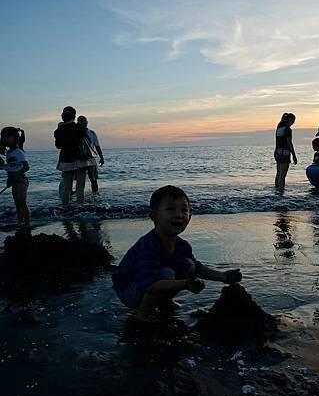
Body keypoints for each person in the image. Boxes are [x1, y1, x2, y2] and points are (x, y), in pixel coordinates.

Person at [112, 185, 242, 319]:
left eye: (184, 210)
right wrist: (186, 284)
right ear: (154, 216)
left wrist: (222, 276)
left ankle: (164, 302)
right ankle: (143, 315)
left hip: (148, 284)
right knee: (167, 274)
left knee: (189, 265)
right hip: (129, 290)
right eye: (170, 209)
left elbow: (197, 268)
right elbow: (149, 284)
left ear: (190, 217)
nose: (179, 215)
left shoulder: (181, 245)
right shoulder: (149, 246)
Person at [54, 106, 88, 207]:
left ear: (62, 116)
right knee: (80, 187)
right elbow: (84, 136)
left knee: (67, 187)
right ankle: (80, 208)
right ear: (74, 116)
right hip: (80, 159)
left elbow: (58, 146)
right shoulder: (78, 128)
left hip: (65, 160)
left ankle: (65, 208)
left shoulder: (58, 130)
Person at [0, 127, 31, 228]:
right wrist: (10, 179)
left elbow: (26, 166)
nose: (4, 139)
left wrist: (15, 175)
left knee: (22, 204)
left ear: (15, 138)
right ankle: (20, 223)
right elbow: (11, 169)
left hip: (21, 181)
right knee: (18, 204)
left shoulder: (18, 152)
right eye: (2, 137)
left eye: (6, 137)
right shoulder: (9, 153)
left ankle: (27, 224)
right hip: (15, 181)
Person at [77, 115, 104, 193]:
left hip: (91, 160)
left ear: (87, 122)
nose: (84, 123)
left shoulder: (91, 133)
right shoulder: (76, 133)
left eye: (84, 121)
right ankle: (78, 200)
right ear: (78, 122)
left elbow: (97, 146)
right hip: (80, 160)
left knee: (94, 180)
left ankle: (94, 197)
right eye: (81, 121)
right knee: (79, 181)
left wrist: (101, 157)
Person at [274, 112, 297, 190]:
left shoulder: (279, 128)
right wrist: (294, 155)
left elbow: (277, 142)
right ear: (290, 120)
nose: (293, 122)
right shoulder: (288, 130)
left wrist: (275, 151)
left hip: (278, 152)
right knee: (282, 175)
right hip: (285, 153)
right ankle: (281, 192)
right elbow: (289, 143)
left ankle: (276, 190)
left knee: (278, 174)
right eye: (293, 120)